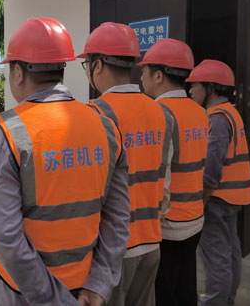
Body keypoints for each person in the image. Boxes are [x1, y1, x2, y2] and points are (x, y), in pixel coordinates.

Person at [0, 18, 131, 306]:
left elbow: (4, 236)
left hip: (16, 293)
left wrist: (55, 299)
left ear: (18, 72)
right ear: (61, 68)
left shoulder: (8, 132)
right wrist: (99, 284)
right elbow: (118, 219)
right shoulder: (106, 127)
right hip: (83, 288)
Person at [77, 22, 173, 306]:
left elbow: (89, 191)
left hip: (112, 252)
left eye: (86, 64)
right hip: (151, 242)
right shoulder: (161, 113)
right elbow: (164, 179)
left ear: (97, 66)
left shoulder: (94, 114)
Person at [138, 39, 208, 306]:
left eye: (144, 71)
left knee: (165, 292)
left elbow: (162, 173)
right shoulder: (200, 112)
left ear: (158, 75)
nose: (141, 78)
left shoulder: (159, 114)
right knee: (186, 285)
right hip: (195, 217)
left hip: (169, 224)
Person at [186, 59, 250, 305]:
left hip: (217, 198)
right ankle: (226, 300)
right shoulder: (231, 113)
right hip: (233, 197)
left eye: (194, 85)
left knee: (216, 260)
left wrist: (200, 202)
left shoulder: (216, 118)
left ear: (210, 88)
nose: (190, 91)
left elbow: (212, 168)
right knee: (231, 253)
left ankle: (215, 301)